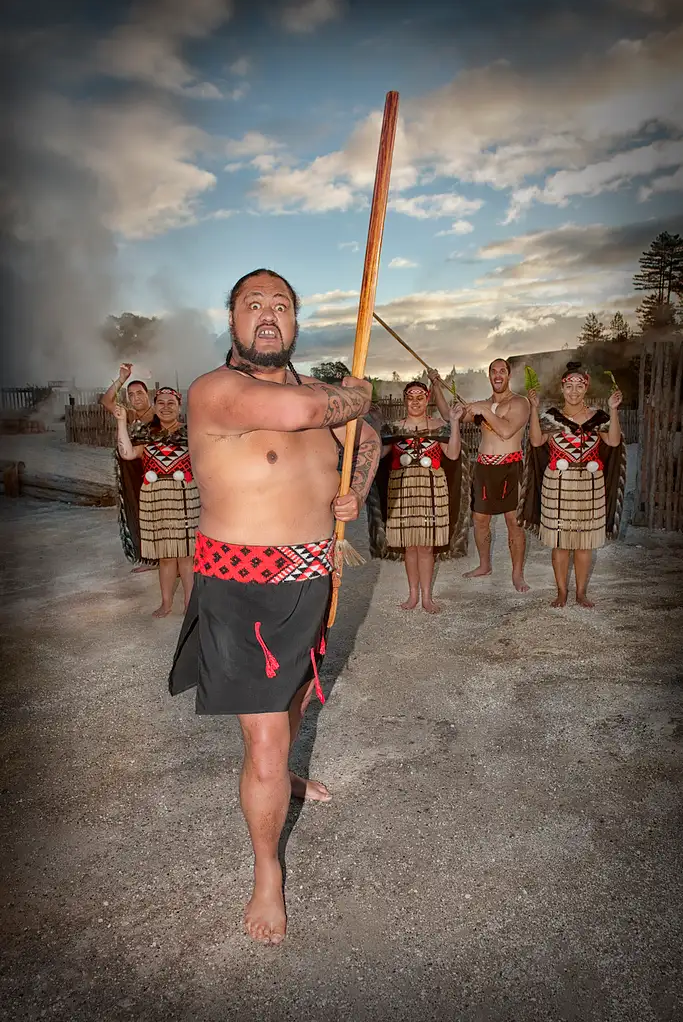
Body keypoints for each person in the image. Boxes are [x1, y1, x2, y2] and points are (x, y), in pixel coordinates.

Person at [167, 269, 379, 946]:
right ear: (230, 320)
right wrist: (356, 394)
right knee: (261, 742)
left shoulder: (319, 395)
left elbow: (365, 441)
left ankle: (288, 773)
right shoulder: (216, 391)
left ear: (295, 322)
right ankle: (266, 873)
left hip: (311, 581)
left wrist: (354, 492)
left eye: (280, 305)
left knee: (290, 704)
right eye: (252, 304)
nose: (267, 314)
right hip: (242, 590)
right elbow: (302, 415)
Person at [518, 362, 625, 608]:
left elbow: (614, 440)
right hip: (558, 485)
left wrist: (614, 410)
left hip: (590, 484)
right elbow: (536, 441)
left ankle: (581, 593)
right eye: (569, 386)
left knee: (584, 542)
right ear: (562, 387)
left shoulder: (598, 417)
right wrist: (534, 409)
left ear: (585, 388)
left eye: (579, 386)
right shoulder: (551, 417)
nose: (574, 391)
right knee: (561, 541)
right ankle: (561, 592)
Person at [366, 378, 468, 613]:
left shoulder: (439, 425)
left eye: (419, 397)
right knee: (410, 546)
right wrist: (372, 430)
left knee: (427, 547)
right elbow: (378, 455)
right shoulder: (393, 428)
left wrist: (453, 423)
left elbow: (452, 454)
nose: (415, 402)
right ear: (405, 400)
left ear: (427, 399)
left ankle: (427, 597)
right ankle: (412, 595)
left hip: (432, 489)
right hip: (402, 490)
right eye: (410, 397)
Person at [114, 387, 199, 617]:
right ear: (155, 405)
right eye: (161, 402)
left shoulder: (191, 433)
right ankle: (166, 603)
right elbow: (127, 453)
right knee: (166, 556)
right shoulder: (146, 433)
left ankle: (190, 605)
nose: (166, 407)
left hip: (184, 497)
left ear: (179, 406)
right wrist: (121, 422)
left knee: (186, 555)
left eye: (171, 402)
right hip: (155, 497)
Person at [460, 358, 531, 592]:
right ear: (489, 376)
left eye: (502, 371)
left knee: (514, 522)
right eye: (493, 371)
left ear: (509, 375)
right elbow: (453, 415)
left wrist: (483, 410)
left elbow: (506, 430)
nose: (498, 375)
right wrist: (437, 385)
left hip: (511, 467)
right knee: (480, 520)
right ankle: (484, 565)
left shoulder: (520, 403)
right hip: (483, 467)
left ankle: (517, 574)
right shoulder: (483, 405)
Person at [100, 364, 157, 572]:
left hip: (149, 473)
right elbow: (106, 401)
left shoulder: (158, 417)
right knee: (136, 512)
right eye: (131, 395)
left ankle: (161, 559)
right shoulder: (131, 416)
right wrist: (122, 378)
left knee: (154, 513)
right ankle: (148, 557)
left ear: (147, 394)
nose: (136, 397)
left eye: (140, 392)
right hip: (129, 473)